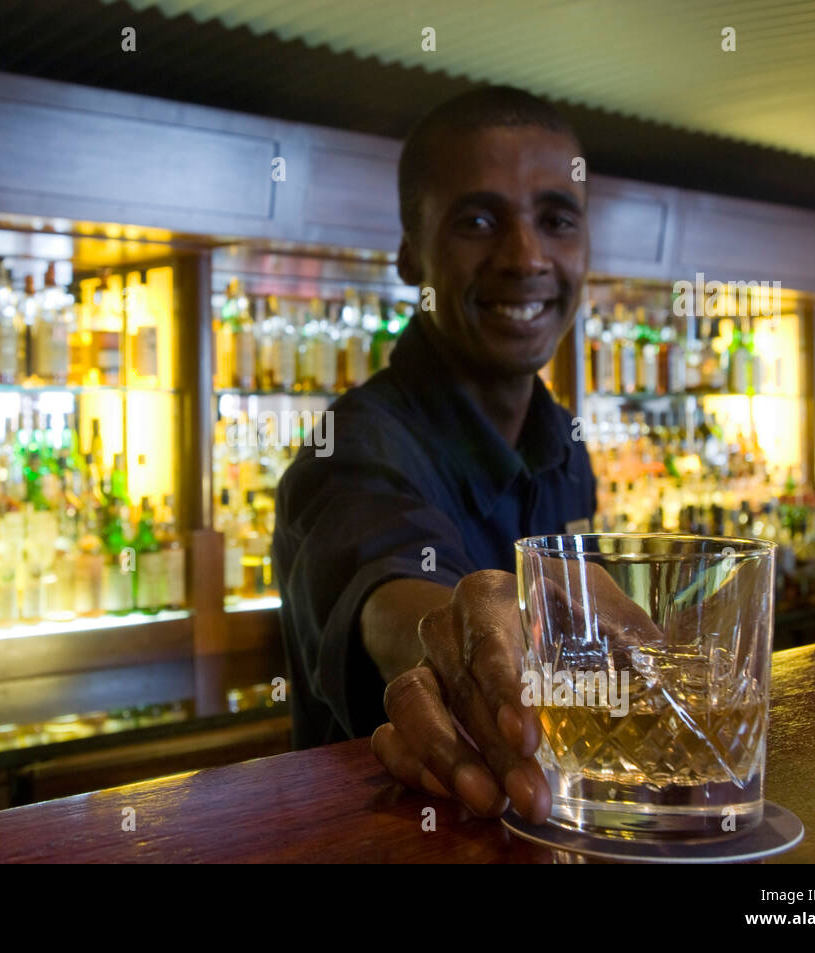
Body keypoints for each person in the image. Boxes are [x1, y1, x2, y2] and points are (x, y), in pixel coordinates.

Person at [272, 86, 596, 824]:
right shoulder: (349, 450)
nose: (526, 256)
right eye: (478, 220)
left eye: (556, 219)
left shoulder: (564, 448)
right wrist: (455, 632)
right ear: (410, 254)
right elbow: (389, 589)